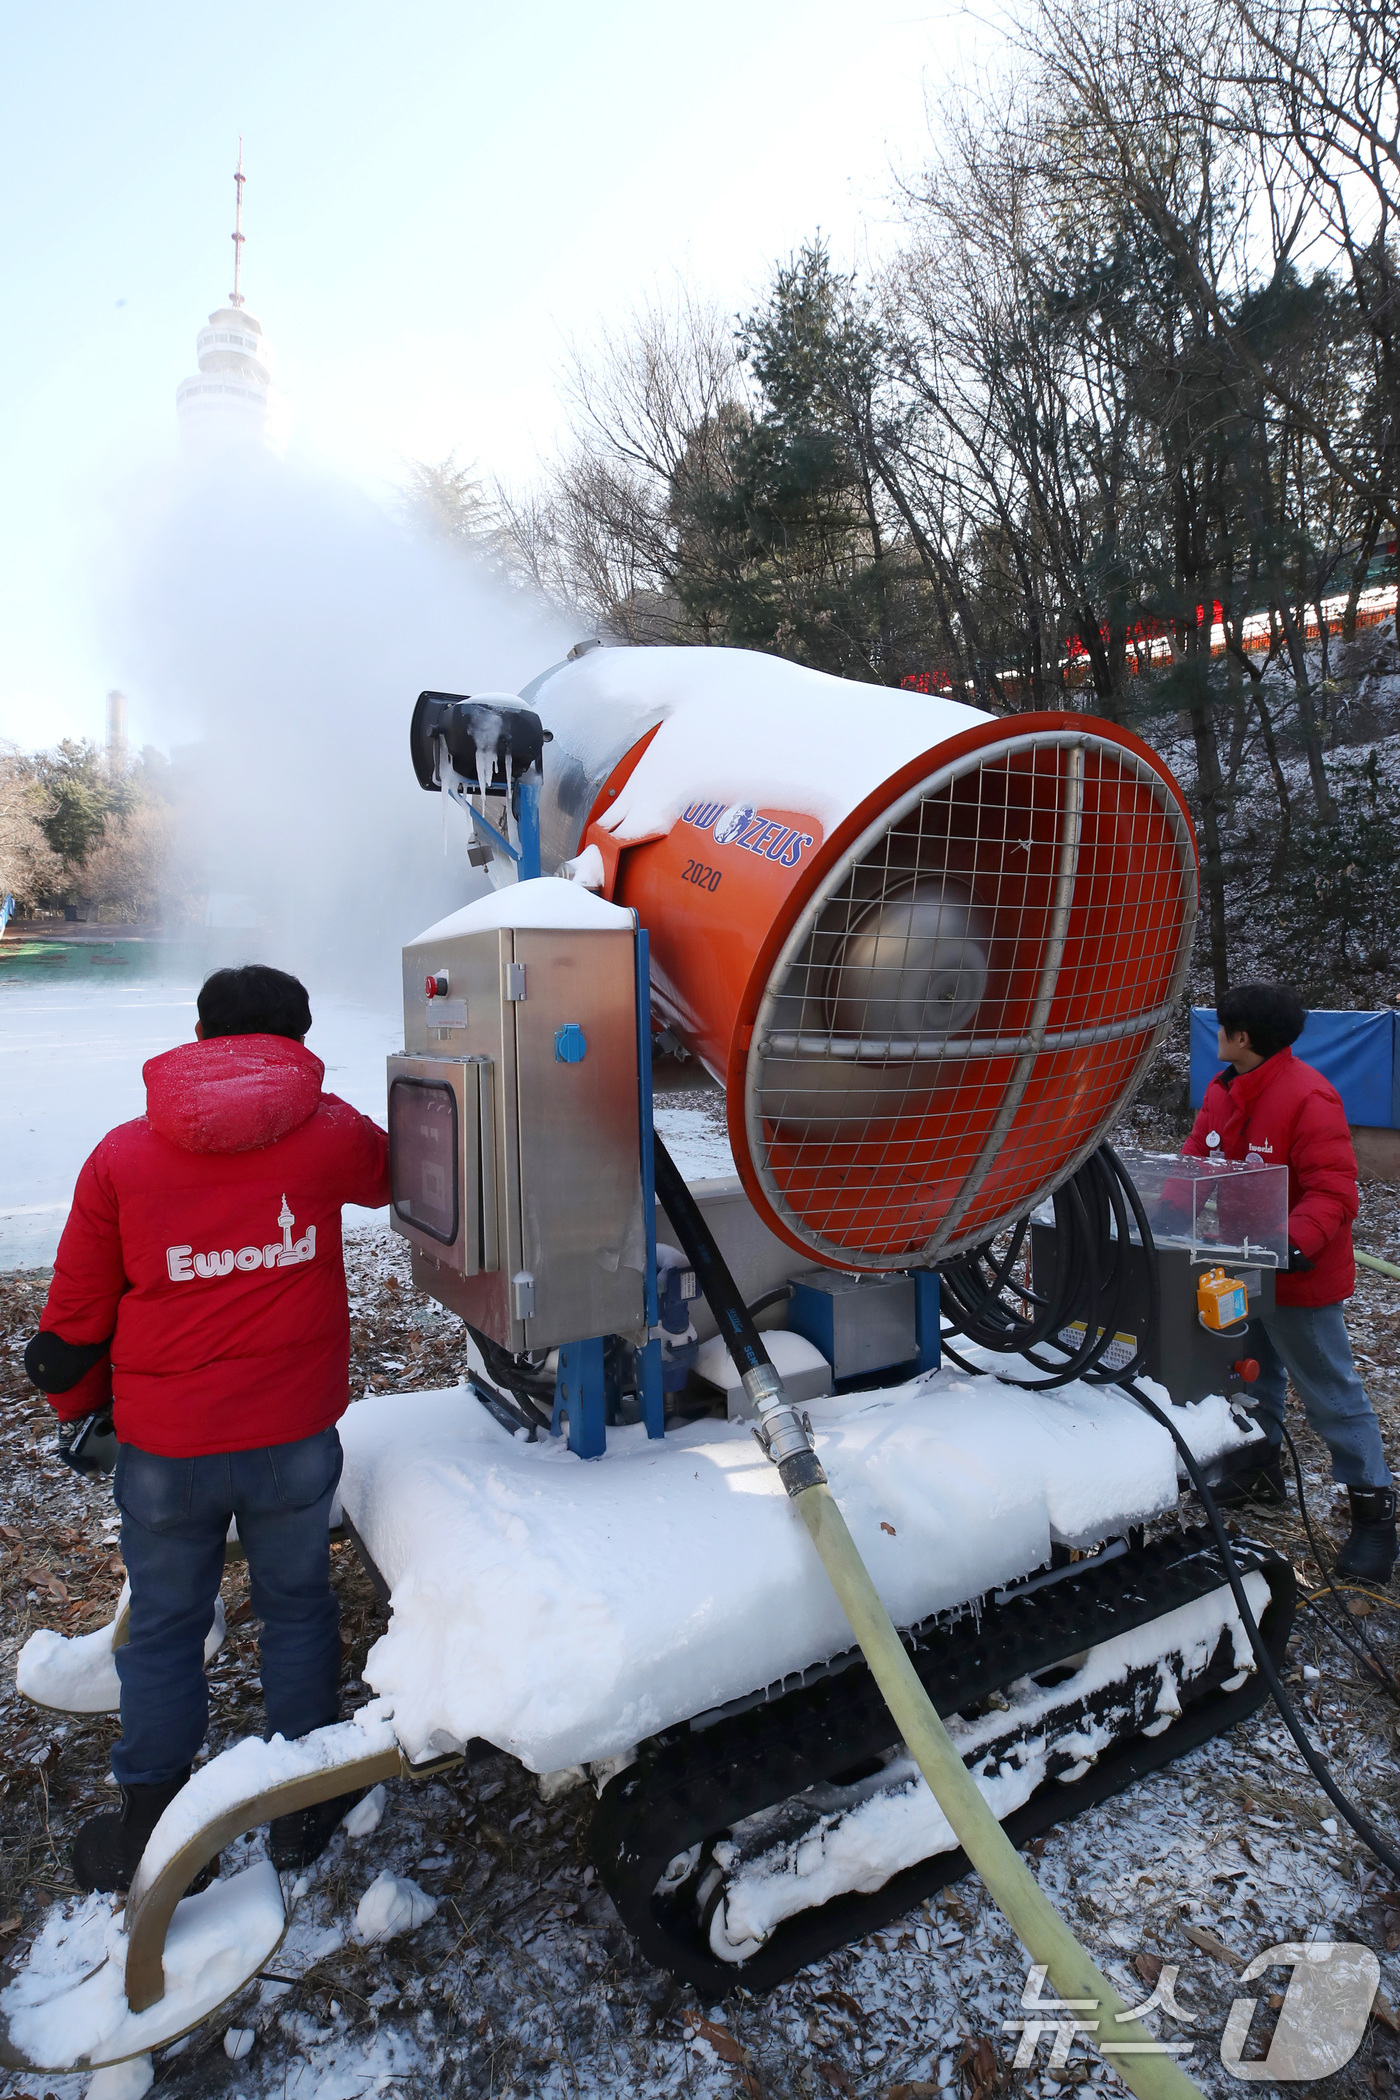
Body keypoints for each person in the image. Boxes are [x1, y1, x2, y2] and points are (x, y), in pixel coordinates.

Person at [24, 964, 390, 1891]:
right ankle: (306, 1801)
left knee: (165, 1624)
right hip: (293, 1440)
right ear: (298, 1041)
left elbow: (70, 1332)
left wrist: (80, 1417)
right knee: (298, 1605)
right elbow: (400, 1178)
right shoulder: (329, 1132)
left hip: (165, 1452)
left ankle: (153, 1824)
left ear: (197, 1033)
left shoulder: (121, 1156)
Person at [1183, 981, 1395, 1580]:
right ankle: (1259, 1470)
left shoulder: (1309, 1097)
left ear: (1241, 1038)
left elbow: (1335, 1190)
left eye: (1223, 1027)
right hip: (1239, 1266)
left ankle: (1375, 1516)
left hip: (1298, 1273)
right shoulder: (1223, 1091)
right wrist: (1161, 1214)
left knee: (1331, 1392)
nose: (1217, 1034)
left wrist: (1294, 1244)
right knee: (1251, 1372)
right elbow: (1196, 1159)